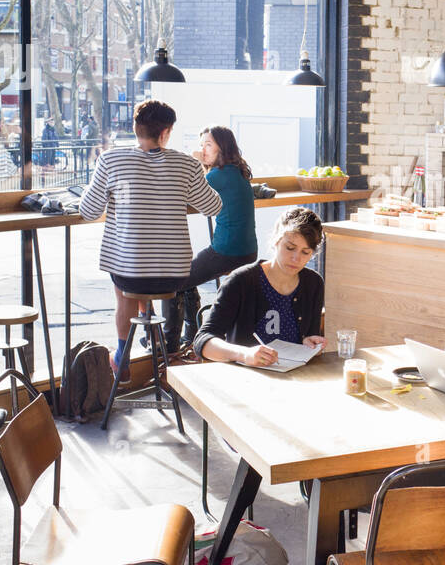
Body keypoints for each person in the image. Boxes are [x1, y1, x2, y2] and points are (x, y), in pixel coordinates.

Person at [79, 99, 222, 381]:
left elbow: (88, 211)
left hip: (131, 275)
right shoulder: (186, 164)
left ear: (134, 128)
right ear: (166, 132)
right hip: (175, 276)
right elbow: (213, 207)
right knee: (142, 268)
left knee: (125, 286)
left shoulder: (111, 160)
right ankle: (152, 338)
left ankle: (122, 357)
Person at [161, 126, 259, 353]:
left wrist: (192, 163)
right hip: (247, 250)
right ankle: (192, 336)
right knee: (187, 276)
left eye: (208, 145)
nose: (202, 149)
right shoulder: (237, 171)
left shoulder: (217, 175)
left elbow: (182, 190)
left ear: (222, 148)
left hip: (227, 252)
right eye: (201, 144)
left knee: (173, 283)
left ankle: (170, 347)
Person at [192, 208, 326, 366]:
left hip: (293, 375)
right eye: (290, 248)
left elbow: (309, 335)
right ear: (276, 241)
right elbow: (203, 341)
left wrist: (309, 343)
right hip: (246, 377)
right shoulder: (241, 281)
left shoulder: (313, 283)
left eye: (305, 252)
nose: (296, 258)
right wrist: (244, 354)